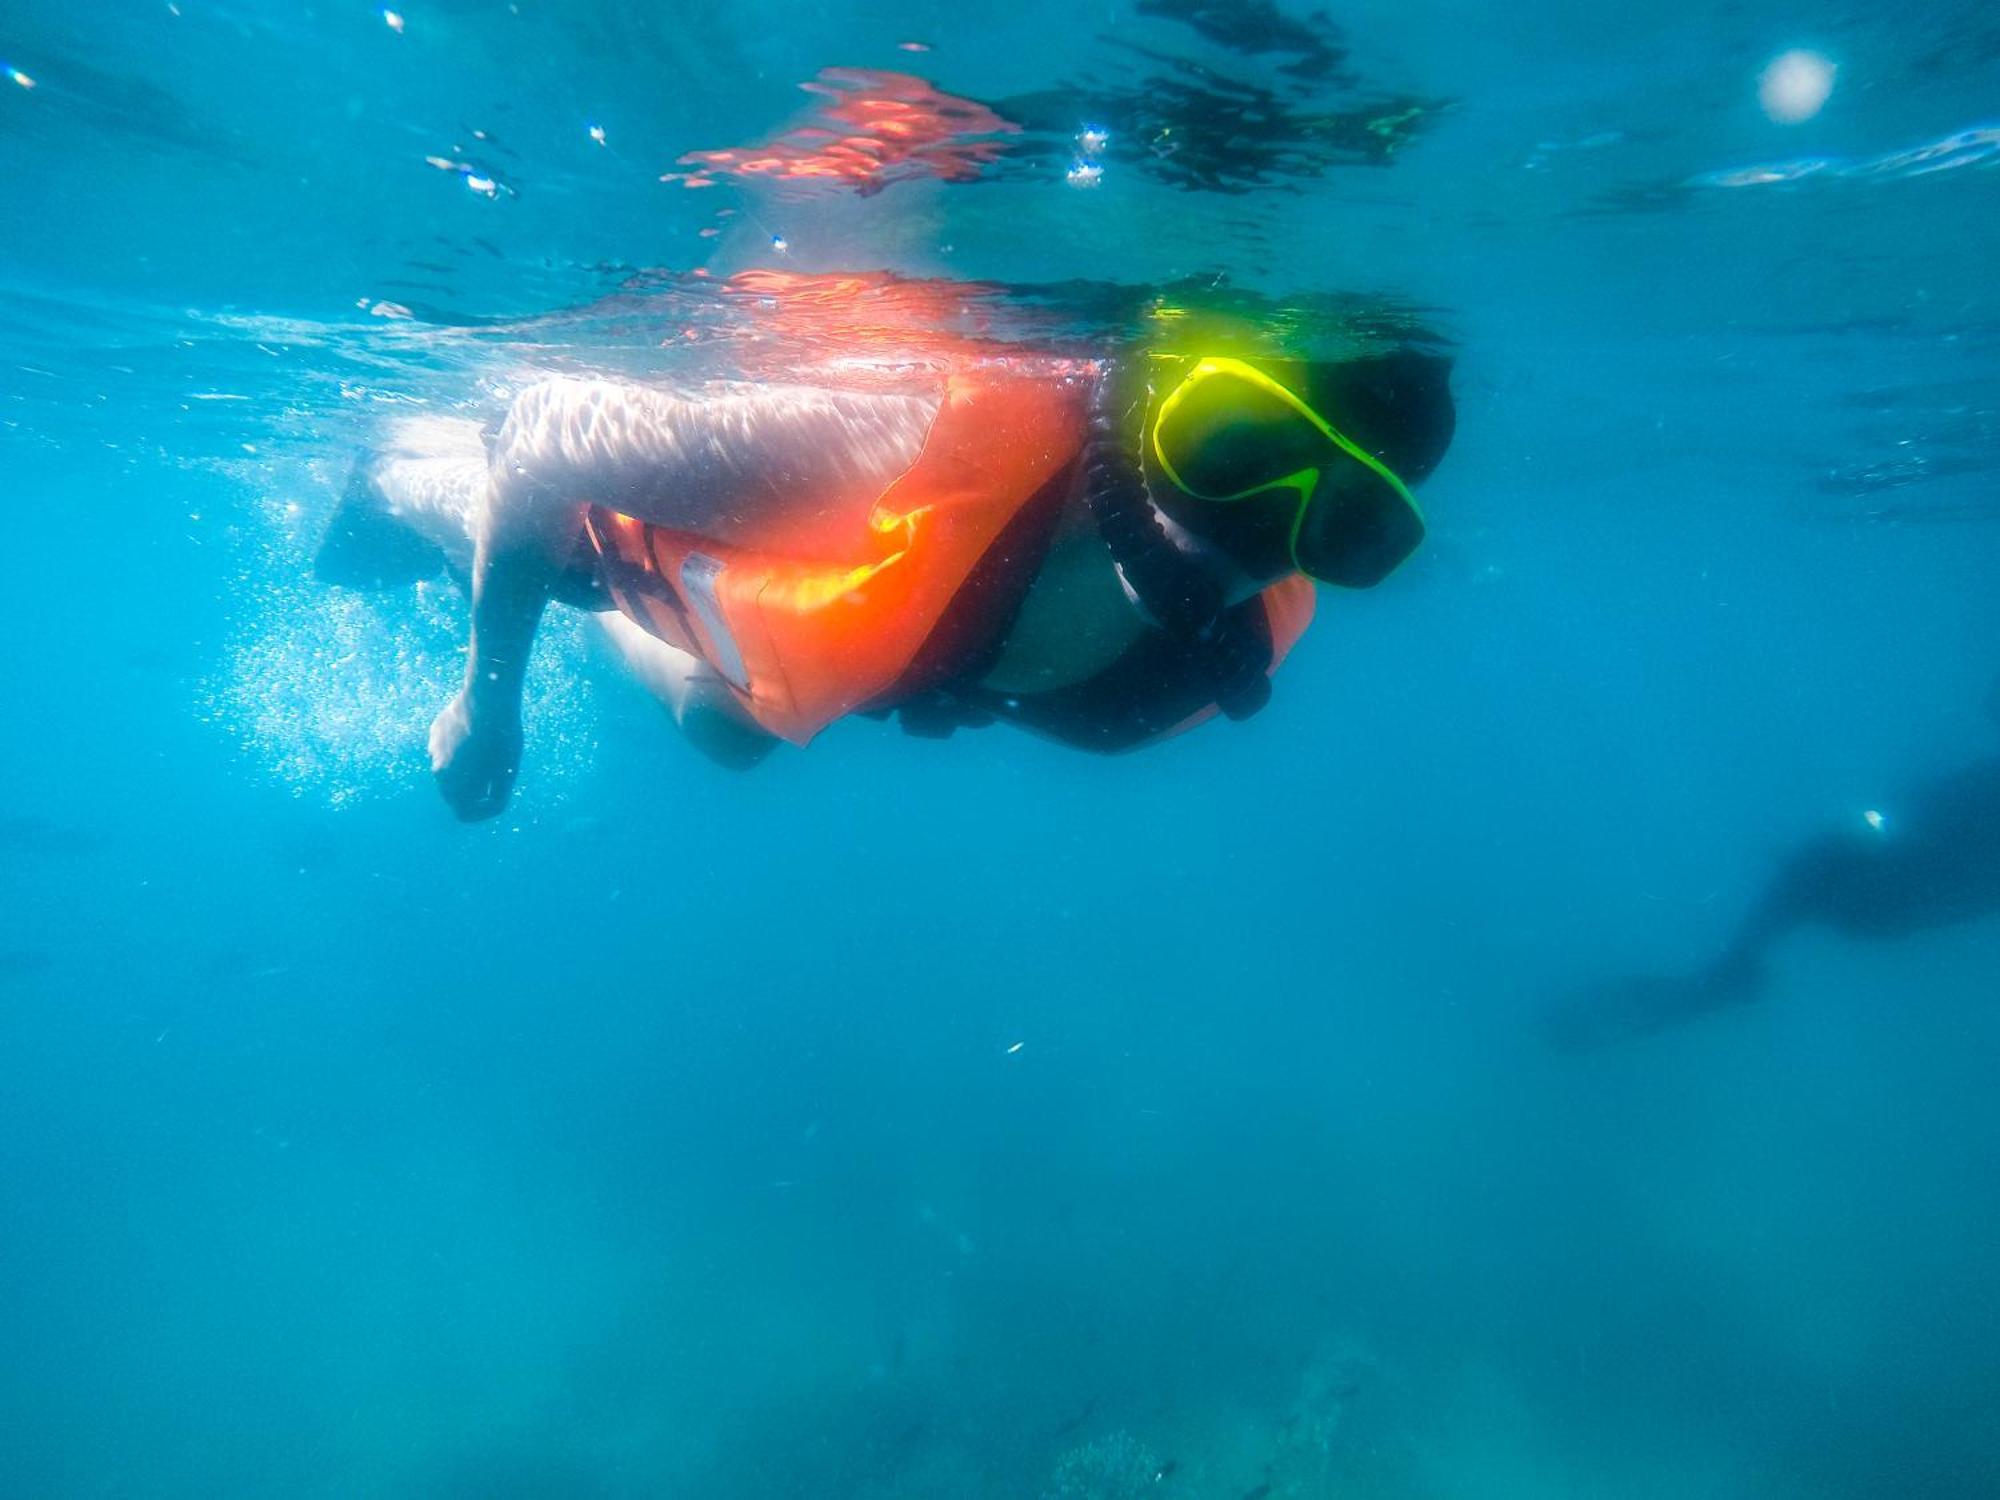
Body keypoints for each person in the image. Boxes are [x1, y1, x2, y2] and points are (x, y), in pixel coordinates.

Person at [317, 290, 1455, 820]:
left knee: (730, 735)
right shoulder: (902, 442)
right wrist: (489, 699)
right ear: (1150, 396)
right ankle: (393, 478)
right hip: (671, 527)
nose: (1245, 529)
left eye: (1346, 529)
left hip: (902, 642)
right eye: (1226, 444)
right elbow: (547, 437)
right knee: (581, 554)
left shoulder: (1187, 668)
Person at [1543, 684, 2000, 1051]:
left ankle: (1725, 976)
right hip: (1897, 882)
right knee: (1834, 857)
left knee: (1832, 861)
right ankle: (1725, 975)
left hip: (1904, 887)